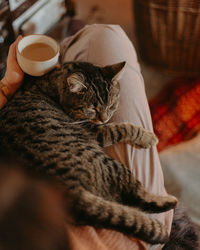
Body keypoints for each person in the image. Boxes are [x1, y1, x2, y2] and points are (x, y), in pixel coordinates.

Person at [0, 24, 173, 250]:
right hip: (134, 232)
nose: (103, 118)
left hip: (51, 177)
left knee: (93, 40)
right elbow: (97, 136)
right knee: (104, 35)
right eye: (96, 113)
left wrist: (8, 87)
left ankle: (69, 45)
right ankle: (69, 41)